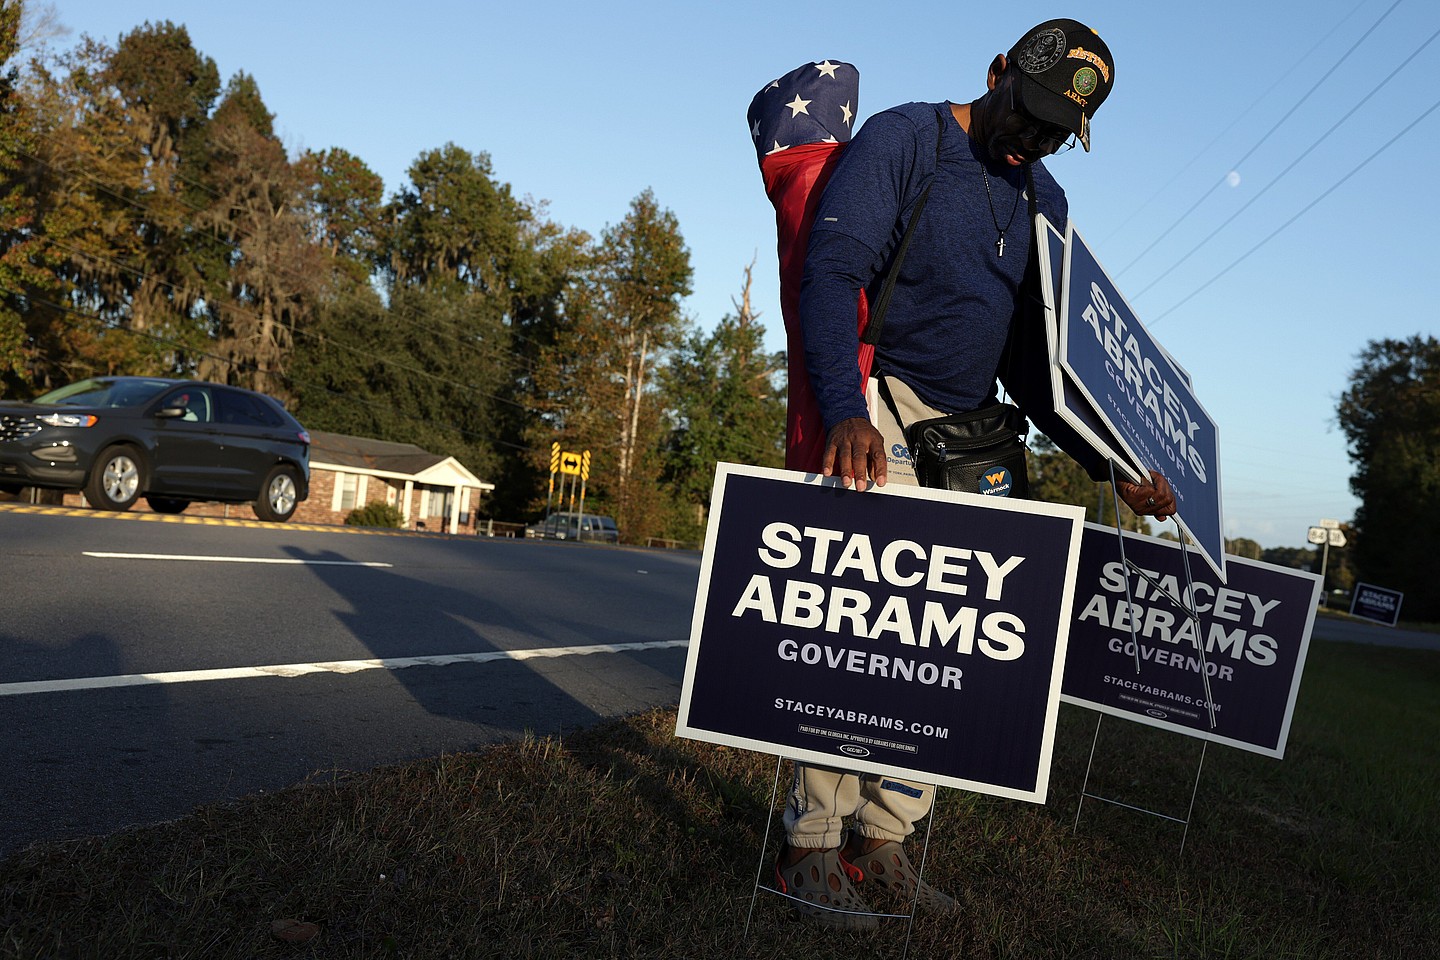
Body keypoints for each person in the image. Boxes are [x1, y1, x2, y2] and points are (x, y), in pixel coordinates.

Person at [774, 18, 1177, 930]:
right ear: (996, 71)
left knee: (958, 651)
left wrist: (1114, 465)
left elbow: (1041, 366)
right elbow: (833, 272)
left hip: (977, 435)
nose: (1030, 140)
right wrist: (845, 408)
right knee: (870, 636)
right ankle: (810, 848)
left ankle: (884, 839)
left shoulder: (1047, 201)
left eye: (1053, 131)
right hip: (882, 407)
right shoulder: (907, 138)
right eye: (1025, 113)